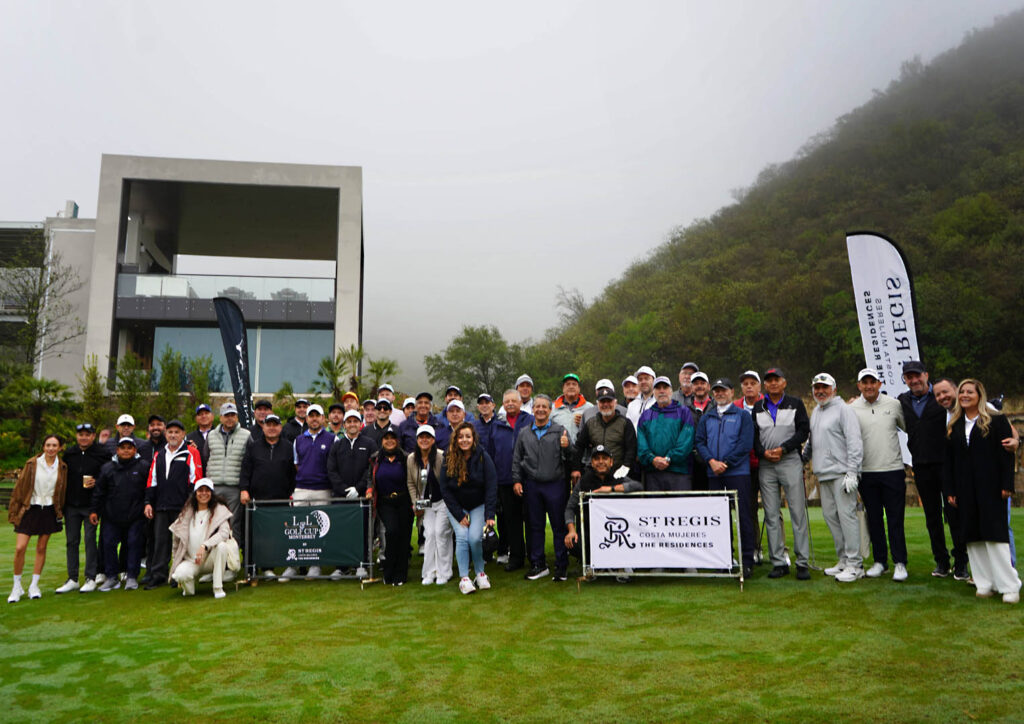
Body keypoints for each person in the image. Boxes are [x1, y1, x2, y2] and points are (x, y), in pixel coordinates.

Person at [943, 379, 1020, 604]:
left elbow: (1007, 455)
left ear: (980, 395)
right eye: (962, 392)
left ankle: (1009, 586)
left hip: (992, 487)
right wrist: (950, 490)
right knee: (973, 537)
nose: (965, 395)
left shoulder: (996, 420)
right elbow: (949, 461)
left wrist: (1007, 485)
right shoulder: (954, 425)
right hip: (964, 489)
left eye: (970, 392)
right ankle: (984, 583)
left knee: (995, 535)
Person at [897, 361, 964, 578]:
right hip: (921, 466)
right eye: (909, 377)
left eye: (917, 376)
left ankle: (961, 562)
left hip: (946, 464)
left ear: (926, 375)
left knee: (954, 514)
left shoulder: (941, 398)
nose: (914, 380)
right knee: (932, 517)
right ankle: (941, 561)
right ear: (905, 380)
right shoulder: (902, 401)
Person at [802, 373, 864, 582]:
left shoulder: (844, 410)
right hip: (823, 472)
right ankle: (844, 559)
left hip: (842, 473)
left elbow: (854, 442)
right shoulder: (816, 411)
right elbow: (812, 441)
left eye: (824, 387)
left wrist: (853, 472)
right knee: (830, 517)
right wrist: (802, 459)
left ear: (834, 389)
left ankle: (855, 564)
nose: (820, 391)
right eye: (817, 388)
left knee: (847, 517)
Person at [850, 367, 908, 582]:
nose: (869, 386)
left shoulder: (894, 404)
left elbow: (907, 428)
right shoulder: (852, 408)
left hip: (892, 470)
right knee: (874, 519)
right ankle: (880, 562)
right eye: (864, 382)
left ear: (879, 384)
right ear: (859, 386)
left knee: (895, 519)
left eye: (872, 382)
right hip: (866, 472)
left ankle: (900, 562)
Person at [753, 367, 811, 580]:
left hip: (790, 460)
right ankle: (778, 562)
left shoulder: (795, 403)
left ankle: (802, 562)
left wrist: (784, 448)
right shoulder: (758, 406)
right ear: (765, 385)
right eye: (769, 380)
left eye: (776, 379)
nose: (773, 383)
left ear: (784, 382)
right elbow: (754, 436)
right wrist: (763, 453)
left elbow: (803, 431)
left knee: (797, 512)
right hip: (766, 464)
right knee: (771, 514)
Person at [695, 378, 756, 576]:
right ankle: (723, 559)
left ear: (731, 392)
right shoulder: (707, 417)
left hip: (738, 473)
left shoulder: (742, 415)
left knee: (744, 517)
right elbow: (700, 442)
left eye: (723, 390)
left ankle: (747, 561)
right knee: (719, 519)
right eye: (717, 390)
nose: (720, 393)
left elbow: (745, 444)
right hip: (714, 474)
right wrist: (711, 461)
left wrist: (726, 463)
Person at [512, 394, 573, 581]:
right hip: (532, 485)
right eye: (537, 406)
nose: (540, 410)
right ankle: (538, 565)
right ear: (532, 409)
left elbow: (571, 456)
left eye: (544, 407)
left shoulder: (559, 430)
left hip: (555, 484)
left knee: (558, 526)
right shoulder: (524, 432)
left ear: (550, 410)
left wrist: (567, 446)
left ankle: (561, 566)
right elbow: (517, 458)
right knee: (535, 526)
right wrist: (517, 480)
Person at [7, 435, 67, 602]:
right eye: (48, 445)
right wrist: (14, 511)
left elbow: (62, 491)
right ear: (43, 447)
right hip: (29, 509)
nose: (51, 448)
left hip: (48, 510)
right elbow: (19, 489)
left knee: (41, 548)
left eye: (54, 445)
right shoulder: (32, 464)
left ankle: (34, 585)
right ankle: (16, 587)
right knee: (20, 547)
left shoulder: (62, 467)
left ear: (60, 448)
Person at [143, 419, 202, 589]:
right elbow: (152, 481)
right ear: (166, 434)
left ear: (183, 434)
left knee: (182, 544)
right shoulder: (159, 454)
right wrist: (148, 502)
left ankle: (178, 575)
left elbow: (196, 481)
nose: (173, 435)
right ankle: (158, 575)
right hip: (161, 506)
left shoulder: (190, 452)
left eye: (177, 432)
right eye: (170, 432)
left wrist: (190, 504)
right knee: (160, 542)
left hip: (182, 507)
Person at [440, 422, 497, 595]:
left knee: (474, 538)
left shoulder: (483, 456)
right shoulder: (448, 458)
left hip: (478, 505)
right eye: (460, 437)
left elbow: (491, 486)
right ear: (456, 439)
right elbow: (445, 489)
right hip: (456, 506)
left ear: (473, 439)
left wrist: (490, 514)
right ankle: (464, 578)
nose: (464, 440)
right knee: (462, 537)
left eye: (468, 436)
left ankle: (480, 573)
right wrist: (459, 514)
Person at [564, 445, 642, 565]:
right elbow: (570, 507)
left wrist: (611, 489)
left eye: (604, 458)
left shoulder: (617, 476)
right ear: (592, 463)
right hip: (591, 531)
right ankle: (591, 563)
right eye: (597, 459)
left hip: (616, 531)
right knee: (573, 543)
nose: (601, 462)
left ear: (611, 462)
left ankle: (618, 565)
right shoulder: (584, 481)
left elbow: (638, 486)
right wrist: (571, 530)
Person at [282, 403, 334, 581]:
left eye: (317, 415)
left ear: (323, 418)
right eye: (311, 416)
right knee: (297, 527)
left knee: (319, 529)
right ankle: (294, 564)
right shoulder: (298, 440)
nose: (314, 419)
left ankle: (315, 565)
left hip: (323, 489)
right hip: (302, 488)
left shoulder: (331, 439)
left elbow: (332, 464)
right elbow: (297, 464)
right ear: (307, 418)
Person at [239, 414, 295, 576]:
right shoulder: (254, 446)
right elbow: (246, 470)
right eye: (268, 425)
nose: (271, 428)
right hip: (258, 499)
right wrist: (244, 489)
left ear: (280, 427)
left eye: (275, 425)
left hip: (281, 499)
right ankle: (256, 567)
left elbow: (293, 473)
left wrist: (292, 492)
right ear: (263, 427)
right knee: (257, 535)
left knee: (278, 534)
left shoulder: (288, 447)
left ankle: (274, 566)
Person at [91, 437, 149, 592]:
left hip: (135, 514)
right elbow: (99, 491)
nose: (126, 451)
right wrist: (94, 510)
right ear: (117, 450)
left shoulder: (143, 466)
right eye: (123, 448)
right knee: (108, 544)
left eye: (129, 448)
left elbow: (149, 489)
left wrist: (147, 504)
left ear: (135, 450)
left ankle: (131, 576)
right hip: (112, 515)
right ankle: (111, 577)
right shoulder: (107, 468)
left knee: (134, 544)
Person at [56, 423, 108, 594]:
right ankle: (72, 578)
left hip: (91, 506)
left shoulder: (102, 454)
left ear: (93, 436)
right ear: (77, 436)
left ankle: (90, 578)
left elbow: (108, 476)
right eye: (81, 434)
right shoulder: (69, 454)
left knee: (90, 540)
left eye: (87, 434)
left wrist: (97, 481)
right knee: (71, 542)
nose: (84, 437)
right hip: (71, 505)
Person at [488, 390, 534, 571]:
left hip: (528, 479)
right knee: (512, 522)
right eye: (506, 401)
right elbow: (491, 453)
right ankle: (516, 557)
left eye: (513, 401)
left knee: (531, 520)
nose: (510, 404)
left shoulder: (530, 420)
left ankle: (535, 556)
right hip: (505, 480)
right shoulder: (496, 424)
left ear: (520, 402)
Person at [169, 479, 239, 599]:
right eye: (200, 490)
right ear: (195, 493)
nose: (204, 493)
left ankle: (218, 588)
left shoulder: (220, 509)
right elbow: (176, 541)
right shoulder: (186, 512)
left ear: (212, 493)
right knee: (180, 575)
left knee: (222, 547)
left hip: (209, 558)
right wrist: (176, 561)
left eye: (207, 490)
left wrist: (205, 546)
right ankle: (188, 589)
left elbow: (224, 533)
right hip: (191, 561)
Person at [407, 425, 453, 585]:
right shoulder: (411, 459)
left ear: (433, 440)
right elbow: (411, 483)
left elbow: (447, 482)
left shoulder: (441, 456)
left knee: (441, 533)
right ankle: (429, 572)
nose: (424, 440)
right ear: (417, 440)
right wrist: (416, 504)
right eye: (421, 437)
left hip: (442, 502)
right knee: (430, 535)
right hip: (425, 504)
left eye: (428, 437)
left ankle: (444, 572)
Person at [202, 402, 251, 547]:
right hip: (214, 486)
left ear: (237, 417)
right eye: (226, 415)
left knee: (233, 523)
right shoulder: (211, 435)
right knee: (212, 522)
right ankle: (211, 555)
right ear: (221, 418)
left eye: (232, 415)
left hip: (234, 487)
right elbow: (206, 457)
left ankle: (232, 557)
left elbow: (249, 461)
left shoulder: (246, 435)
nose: (230, 418)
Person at [637, 376, 695, 491]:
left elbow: (686, 442)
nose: (662, 391)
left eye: (665, 387)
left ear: (671, 391)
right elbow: (641, 444)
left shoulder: (684, 412)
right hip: (653, 473)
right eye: (658, 388)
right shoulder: (645, 415)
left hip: (679, 473)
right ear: (654, 392)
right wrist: (652, 459)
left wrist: (669, 458)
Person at [371, 428, 413, 586]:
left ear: (397, 440)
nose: (389, 441)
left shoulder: (406, 458)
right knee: (392, 532)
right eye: (386, 438)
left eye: (392, 438)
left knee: (404, 536)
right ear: (382, 441)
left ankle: (401, 574)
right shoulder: (375, 458)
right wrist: (369, 489)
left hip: (404, 500)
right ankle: (389, 571)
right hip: (385, 502)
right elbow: (370, 477)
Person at [573, 382, 637, 481]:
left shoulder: (625, 423)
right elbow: (579, 446)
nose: (606, 404)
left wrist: (626, 467)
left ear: (615, 403)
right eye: (602, 402)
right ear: (598, 404)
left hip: (619, 473)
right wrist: (576, 468)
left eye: (609, 401)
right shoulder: (590, 423)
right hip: (595, 474)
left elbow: (631, 449)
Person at [734, 370, 764, 562]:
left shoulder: (768, 404)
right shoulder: (735, 406)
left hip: (767, 463)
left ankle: (781, 550)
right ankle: (754, 548)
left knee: (773, 509)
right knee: (750, 508)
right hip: (746, 465)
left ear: (759, 386)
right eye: (745, 383)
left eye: (753, 383)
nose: (749, 386)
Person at [551, 373, 594, 444]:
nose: (571, 387)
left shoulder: (589, 408)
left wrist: (584, 424)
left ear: (579, 388)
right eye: (568, 384)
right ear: (563, 389)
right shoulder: (552, 408)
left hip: (582, 450)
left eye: (574, 384)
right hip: (558, 450)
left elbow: (596, 430)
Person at [187, 404, 215, 470]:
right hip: (197, 473)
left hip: (215, 473)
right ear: (196, 418)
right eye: (200, 414)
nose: (203, 416)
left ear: (212, 416)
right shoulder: (189, 437)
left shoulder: (220, 435)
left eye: (206, 413)